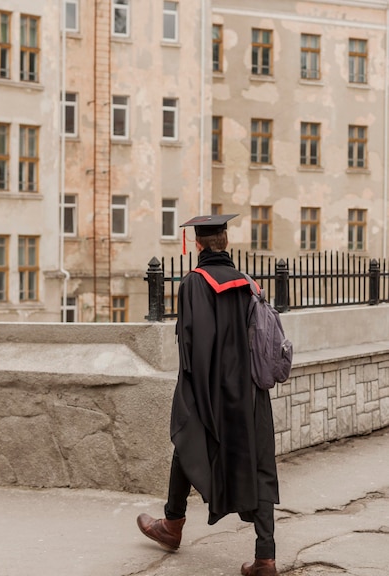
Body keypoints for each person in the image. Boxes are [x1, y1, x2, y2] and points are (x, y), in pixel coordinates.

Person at [136, 214, 280, 576]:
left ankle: (172, 525)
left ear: (197, 245)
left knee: (187, 440)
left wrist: (195, 398)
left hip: (212, 388)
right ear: (226, 242)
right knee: (259, 464)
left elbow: (193, 347)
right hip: (250, 392)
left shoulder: (194, 284)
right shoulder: (249, 284)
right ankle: (265, 556)